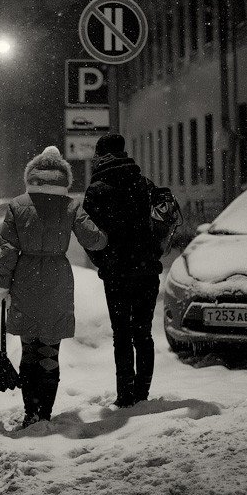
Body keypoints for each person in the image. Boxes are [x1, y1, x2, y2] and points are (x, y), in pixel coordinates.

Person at [0, 146, 107, 428]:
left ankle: (30, 412)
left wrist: (2, 287)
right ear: (62, 177)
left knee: (29, 348)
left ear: (32, 175)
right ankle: (45, 412)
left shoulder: (18, 205)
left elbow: (8, 251)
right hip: (57, 279)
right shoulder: (70, 206)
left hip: (25, 278)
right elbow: (95, 240)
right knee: (50, 351)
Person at [83, 133, 163, 408]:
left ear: (101, 156)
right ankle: (143, 393)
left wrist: (103, 261)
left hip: (116, 274)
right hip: (146, 271)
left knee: (122, 335)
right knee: (144, 333)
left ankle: (125, 394)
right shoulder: (143, 184)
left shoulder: (97, 189)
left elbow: (88, 234)